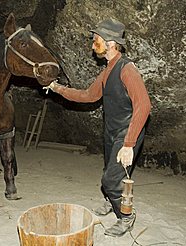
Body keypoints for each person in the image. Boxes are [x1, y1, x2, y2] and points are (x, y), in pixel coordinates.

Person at [45, 18, 151, 237]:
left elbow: (144, 105)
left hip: (128, 131)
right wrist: (57, 88)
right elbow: (88, 95)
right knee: (112, 171)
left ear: (111, 43)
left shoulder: (126, 69)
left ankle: (126, 217)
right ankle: (110, 201)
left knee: (110, 179)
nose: (93, 45)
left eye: (96, 40)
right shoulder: (108, 71)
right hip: (112, 130)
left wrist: (129, 144)